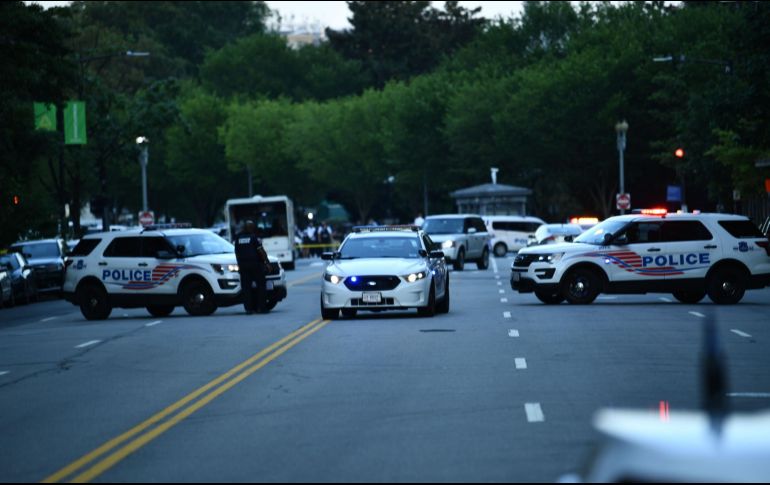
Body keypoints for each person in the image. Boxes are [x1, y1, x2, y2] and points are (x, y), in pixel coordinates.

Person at [234, 220, 270, 314]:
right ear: (251, 228)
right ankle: (261, 308)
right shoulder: (254, 238)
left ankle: (249, 309)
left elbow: (236, 253)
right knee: (261, 286)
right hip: (255, 266)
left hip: (243, 266)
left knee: (246, 288)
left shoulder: (238, 239)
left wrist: (240, 265)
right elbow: (261, 251)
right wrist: (266, 263)